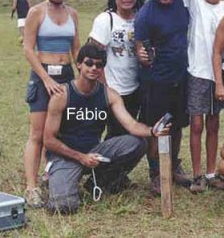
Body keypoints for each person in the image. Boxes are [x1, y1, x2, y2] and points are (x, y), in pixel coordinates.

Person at [43, 43, 170, 214]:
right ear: (79, 64)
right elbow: (49, 140)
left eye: (99, 65)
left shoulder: (109, 94)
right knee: (63, 207)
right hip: (66, 155)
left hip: (94, 152)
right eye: (89, 63)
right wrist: (80, 157)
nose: (94, 68)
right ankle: (57, 180)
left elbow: (131, 125)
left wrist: (152, 131)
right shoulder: (62, 95)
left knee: (137, 143)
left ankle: (99, 182)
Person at [173, 0, 224, 193]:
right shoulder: (194, 3)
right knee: (196, 124)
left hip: (221, 74)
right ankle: (197, 175)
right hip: (197, 73)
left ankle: (211, 173)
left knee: (213, 124)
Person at [22, 0, 81, 208]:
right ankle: (31, 186)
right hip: (42, 75)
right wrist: (45, 79)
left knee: (57, 132)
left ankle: (51, 174)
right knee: (37, 134)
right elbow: (27, 48)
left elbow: (76, 48)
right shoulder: (36, 12)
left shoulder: (73, 14)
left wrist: (84, 76)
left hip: (66, 75)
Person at [135, 0, 192, 195]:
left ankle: (174, 164)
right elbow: (139, 46)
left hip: (182, 76)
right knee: (158, 128)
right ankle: (156, 172)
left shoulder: (182, 5)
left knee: (177, 124)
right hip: (156, 81)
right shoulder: (145, 14)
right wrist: (143, 56)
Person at [88, 0, 146, 139]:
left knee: (129, 135)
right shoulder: (106, 19)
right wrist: (104, 88)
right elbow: (93, 57)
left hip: (135, 88)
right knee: (114, 134)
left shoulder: (141, 18)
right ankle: (100, 164)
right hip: (113, 89)